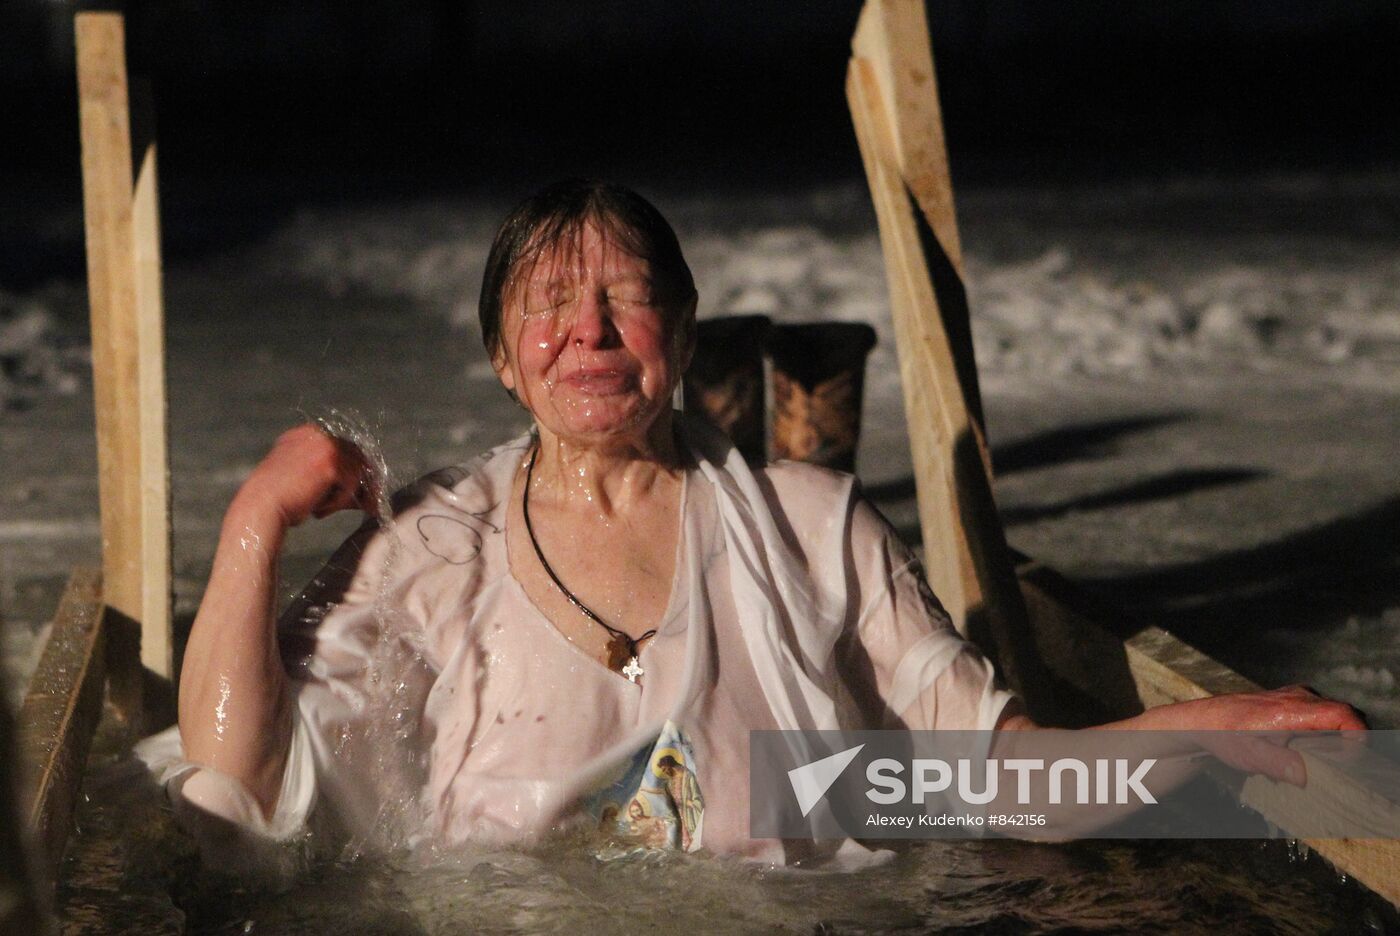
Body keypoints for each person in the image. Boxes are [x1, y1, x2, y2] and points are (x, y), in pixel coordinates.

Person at [161, 179, 1364, 865]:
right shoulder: (436, 544)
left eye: (626, 300)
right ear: (502, 362)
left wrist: (1183, 733)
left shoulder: (811, 528)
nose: (587, 329)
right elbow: (241, 778)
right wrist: (257, 516)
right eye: (548, 306)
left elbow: (982, 782)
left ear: (681, 340)